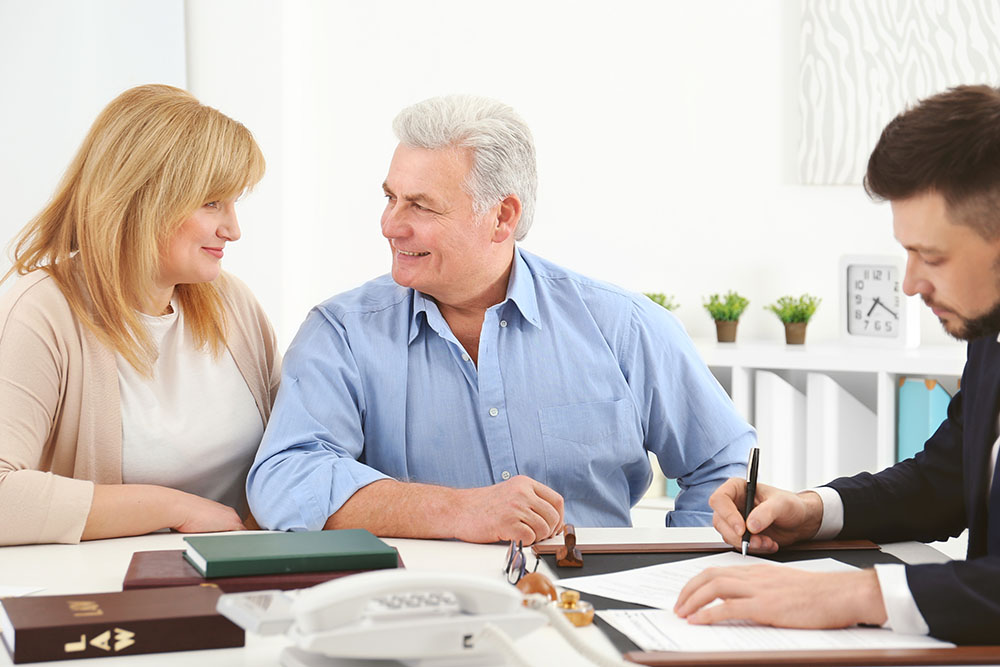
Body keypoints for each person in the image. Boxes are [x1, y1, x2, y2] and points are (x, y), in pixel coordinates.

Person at [247, 94, 754, 544]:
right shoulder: (341, 333)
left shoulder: (623, 327)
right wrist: (457, 510)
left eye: (420, 206)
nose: (389, 225)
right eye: (390, 197)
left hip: (590, 608)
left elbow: (722, 466)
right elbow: (286, 479)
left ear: (502, 217)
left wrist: (679, 572)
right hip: (416, 614)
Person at [674, 85, 1000, 644]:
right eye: (908, 251)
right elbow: (946, 481)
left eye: (933, 257)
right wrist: (811, 510)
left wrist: (852, 595)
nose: (910, 283)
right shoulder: (990, 336)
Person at [0, 84, 281, 546]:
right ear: (145, 198)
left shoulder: (233, 304)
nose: (233, 229)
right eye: (212, 203)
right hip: (112, 599)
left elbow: (292, 454)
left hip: (239, 582)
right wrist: (172, 508)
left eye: (233, 203)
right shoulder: (40, 313)